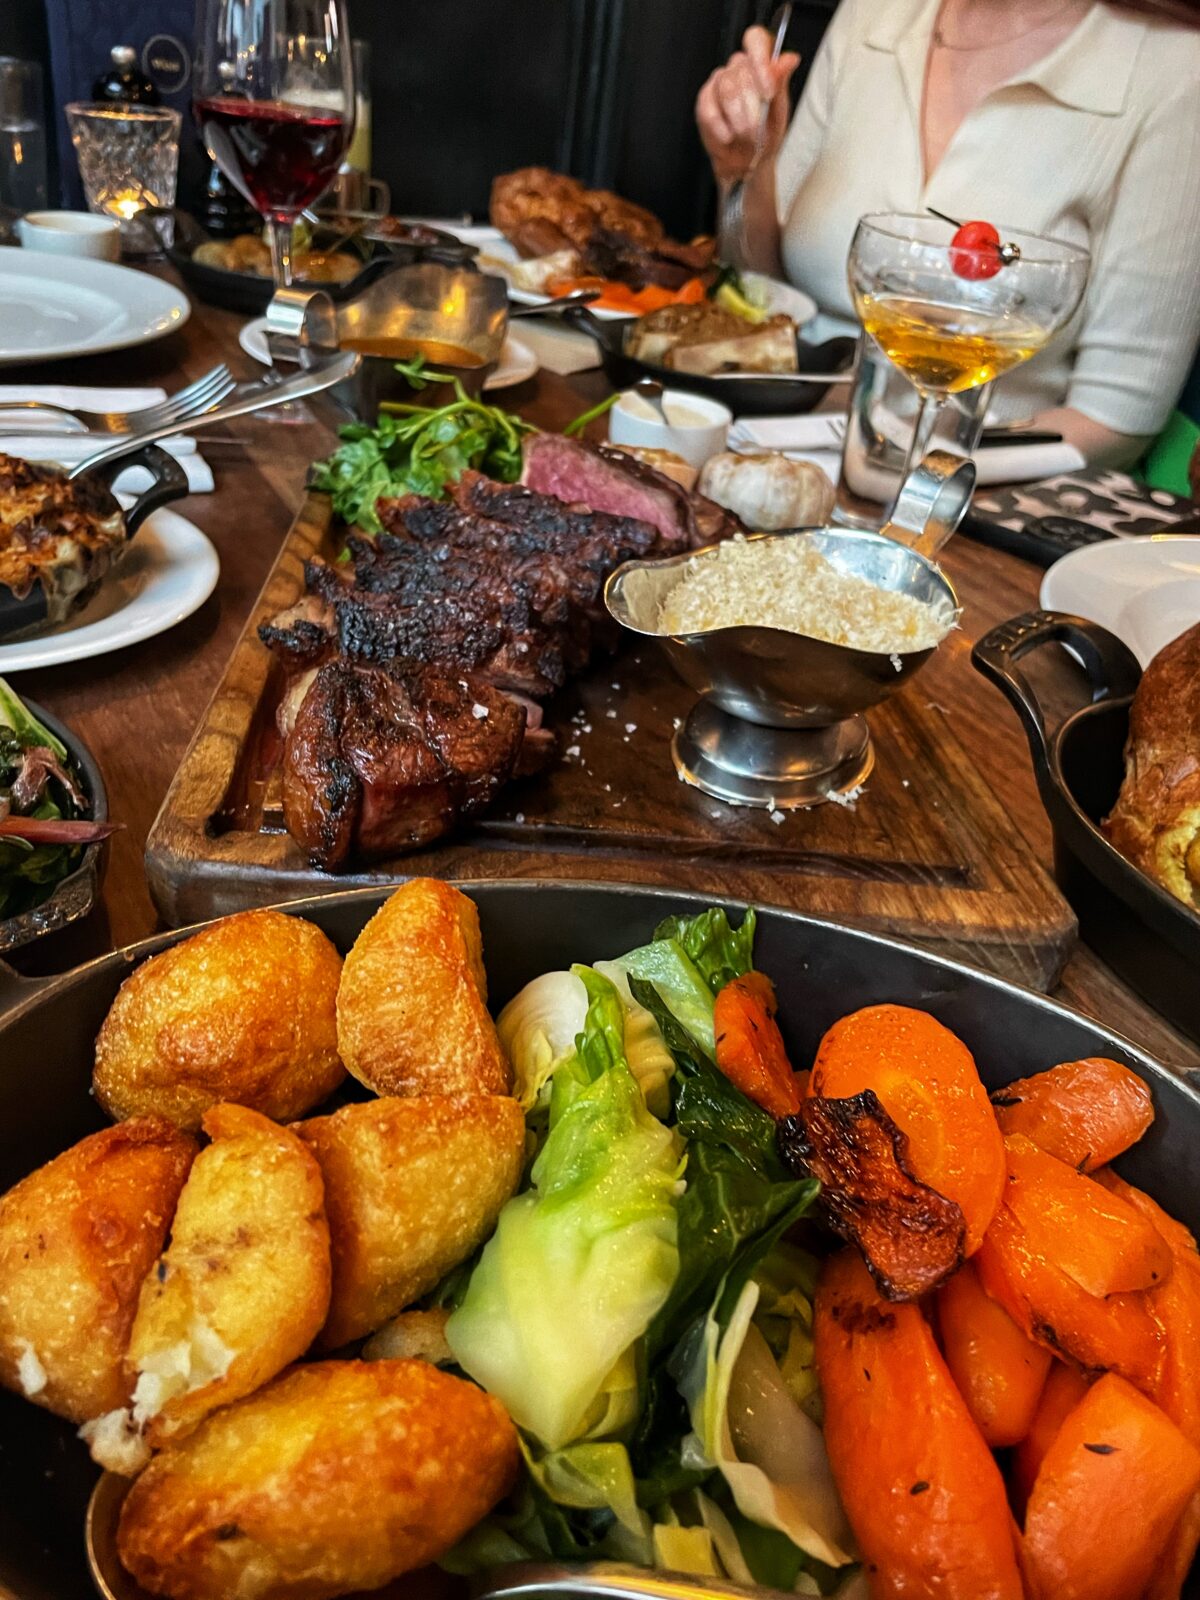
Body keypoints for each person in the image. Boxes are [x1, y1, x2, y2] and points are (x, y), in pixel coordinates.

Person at [696, 0, 1200, 466]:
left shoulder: (1175, 68)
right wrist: (744, 170)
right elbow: (763, 292)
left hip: (972, 496)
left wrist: (902, 467)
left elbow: (1113, 425)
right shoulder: (873, 11)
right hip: (759, 445)